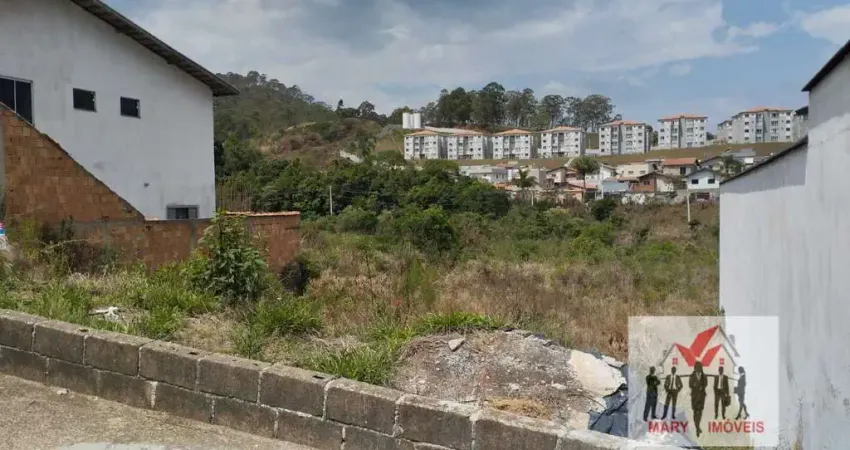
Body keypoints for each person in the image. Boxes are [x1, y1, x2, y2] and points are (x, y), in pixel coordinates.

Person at [689, 361, 708, 437]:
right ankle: (697, 428)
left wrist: (702, 386)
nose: (699, 369)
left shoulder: (704, 376)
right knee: (695, 412)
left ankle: (697, 428)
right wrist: (696, 385)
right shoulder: (692, 376)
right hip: (694, 396)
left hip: (702, 396)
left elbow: (706, 383)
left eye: (700, 367)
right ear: (695, 368)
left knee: (700, 412)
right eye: (697, 367)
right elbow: (690, 385)